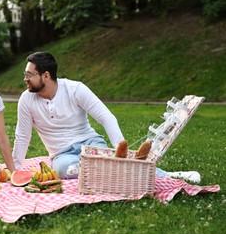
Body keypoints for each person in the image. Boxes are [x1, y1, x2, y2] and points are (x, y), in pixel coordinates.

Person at [12, 51, 201, 183]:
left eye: (29, 74)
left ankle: (169, 175)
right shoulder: (26, 100)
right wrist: (15, 169)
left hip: (91, 144)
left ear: (45, 76)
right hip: (62, 155)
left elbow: (106, 117)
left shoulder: (75, 89)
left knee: (111, 165)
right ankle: (105, 171)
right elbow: (22, 136)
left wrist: (121, 153)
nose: (25, 79)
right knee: (64, 171)